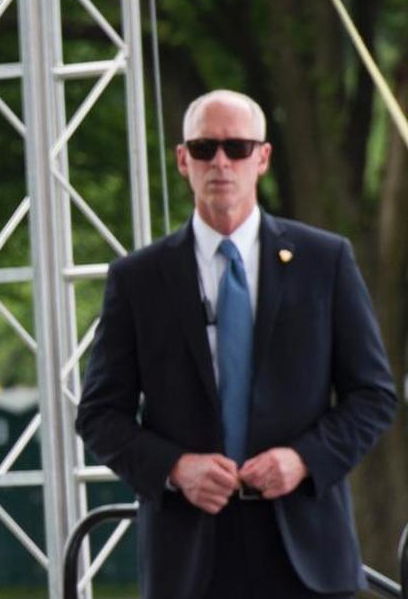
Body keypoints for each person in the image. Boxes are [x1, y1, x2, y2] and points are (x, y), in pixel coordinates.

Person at [75, 90, 396, 599]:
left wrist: (303, 459)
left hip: (306, 550)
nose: (220, 162)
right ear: (183, 160)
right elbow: (98, 416)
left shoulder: (324, 261)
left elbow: (374, 396)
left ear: (262, 158)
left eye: (238, 148)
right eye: (204, 148)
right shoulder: (138, 279)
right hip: (189, 556)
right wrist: (177, 469)